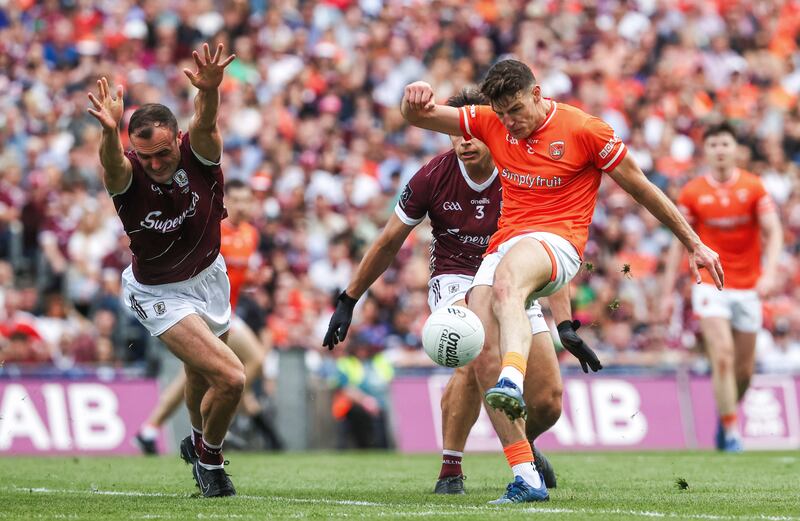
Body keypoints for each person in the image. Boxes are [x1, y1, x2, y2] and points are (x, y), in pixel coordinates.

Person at [400, 59, 724, 503]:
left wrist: (694, 244)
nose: (509, 122)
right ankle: (525, 474)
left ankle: (512, 380)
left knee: (508, 281)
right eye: (502, 113)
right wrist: (415, 95)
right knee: (480, 348)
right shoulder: (491, 120)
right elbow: (420, 116)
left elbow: (643, 187)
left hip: (558, 244)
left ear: (537, 93)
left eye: (516, 110)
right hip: (503, 246)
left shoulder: (586, 130)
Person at [325, 88, 601, 498]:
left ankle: (524, 445)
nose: (465, 141)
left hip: (515, 279)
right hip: (455, 278)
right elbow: (387, 243)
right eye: (456, 133)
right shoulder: (432, 176)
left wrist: (564, 322)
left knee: (548, 400)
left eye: (470, 132)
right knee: (474, 346)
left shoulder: (520, 171)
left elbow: (548, 246)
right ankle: (453, 467)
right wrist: (349, 298)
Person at [87, 43, 240, 497]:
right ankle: (210, 459)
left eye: (161, 153)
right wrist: (110, 133)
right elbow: (113, 162)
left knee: (199, 376)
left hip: (210, 276)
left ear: (177, 139)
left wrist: (210, 90)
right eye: (144, 155)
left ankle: (197, 441)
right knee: (231, 378)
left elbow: (206, 120)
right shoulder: (127, 174)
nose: (153, 164)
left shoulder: (201, 152)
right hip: (158, 291)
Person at [134, 179, 282, 455]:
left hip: (227, 310)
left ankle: (152, 429)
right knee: (227, 368)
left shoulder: (251, 234)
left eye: (246, 199)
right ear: (227, 202)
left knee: (198, 376)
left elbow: (232, 272)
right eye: (235, 199)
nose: (241, 205)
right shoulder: (213, 230)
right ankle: (218, 414)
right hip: (199, 309)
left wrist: (253, 278)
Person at [661, 122, 782, 452]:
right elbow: (678, 244)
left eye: (724, 144)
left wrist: (770, 273)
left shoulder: (754, 187)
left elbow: (775, 233)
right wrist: (667, 291)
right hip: (709, 284)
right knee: (723, 357)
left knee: (744, 370)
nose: (719, 150)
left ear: (735, 149)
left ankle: (725, 414)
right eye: (713, 144)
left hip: (749, 287)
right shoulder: (692, 192)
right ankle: (731, 434)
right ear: (706, 151)